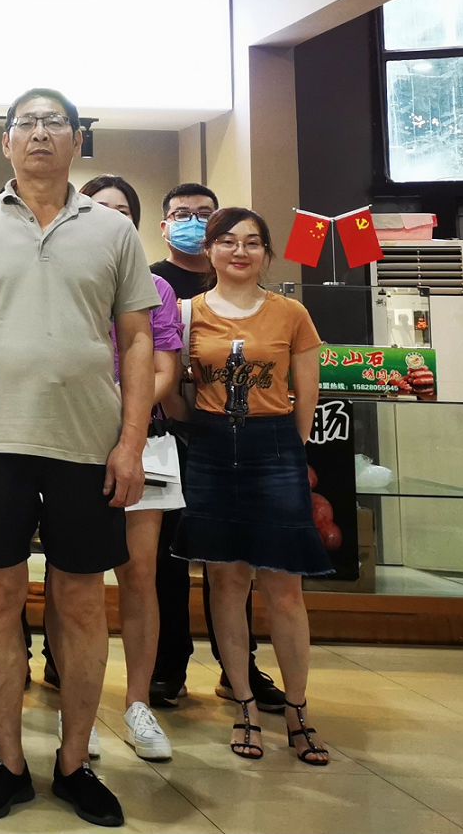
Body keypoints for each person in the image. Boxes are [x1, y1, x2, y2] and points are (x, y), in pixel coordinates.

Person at [0, 88, 156, 828]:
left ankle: (74, 761)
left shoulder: (113, 231)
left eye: (53, 123)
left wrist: (130, 442)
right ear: (5, 142)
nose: (38, 134)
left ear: (76, 139)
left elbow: (137, 340)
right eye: (25, 124)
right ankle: (7, 762)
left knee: (82, 599)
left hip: (86, 444)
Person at [173, 206, 331, 767]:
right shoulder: (187, 314)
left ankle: (297, 708)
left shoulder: (291, 313)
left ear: (266, 253)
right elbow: (178, 389)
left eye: (252, 242)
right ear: (209, 250)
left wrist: (290, 446)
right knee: (226, 582)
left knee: (284, 587)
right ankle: (243, 702)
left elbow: (306, 393)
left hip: (275, 445)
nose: (239, 251)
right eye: (228, 241)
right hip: (211, 447)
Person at [149, 183, 284, 713]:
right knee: (168, 556)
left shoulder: (239, 284)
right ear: (164, 225)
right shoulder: (153, 281)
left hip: (235, 443)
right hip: (177, 436)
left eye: (202, 214)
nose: (191, 221)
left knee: (231, 558)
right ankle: (169, 664)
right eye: (180, 214)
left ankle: (238, 668)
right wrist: (185, 420)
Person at [70, 174, 184, 763]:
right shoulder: (65, 275)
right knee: (76, 579)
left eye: (122, 210)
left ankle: (137, 703)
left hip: (142, 440)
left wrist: (124, 418)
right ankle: (79, 711)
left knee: (139, 576)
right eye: (99, 207)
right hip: (72, 439)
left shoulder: (155, 286)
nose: (111, 216)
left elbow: (164, 369)